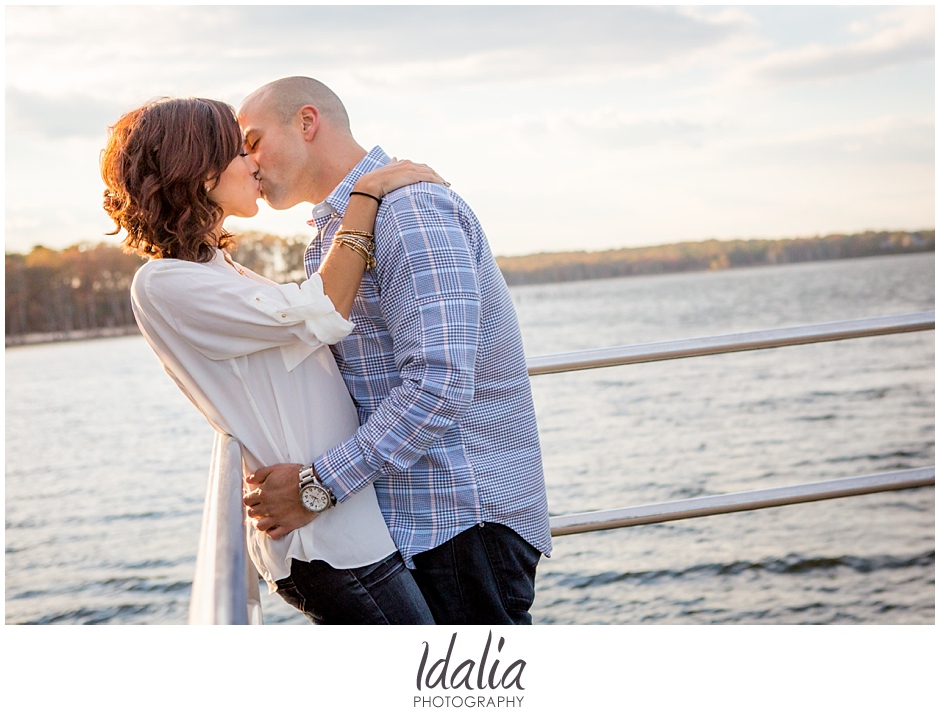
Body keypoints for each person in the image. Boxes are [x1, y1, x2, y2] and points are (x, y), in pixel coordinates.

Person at [101, 96, 445, 624]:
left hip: (342, 520)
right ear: (198, 170)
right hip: (323, 541)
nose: (254, 163)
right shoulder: (165, 281)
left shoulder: (218, 268)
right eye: (240, 151)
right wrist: (366, 190)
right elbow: (322, 310)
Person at [237, 77, 553, 625]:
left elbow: (440, 384)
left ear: (307, 123)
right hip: (415, 519)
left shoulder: (410, 209)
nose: (247, 162)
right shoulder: (339, 234)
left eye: (253, 141)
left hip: (457, 524)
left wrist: (316, 488)